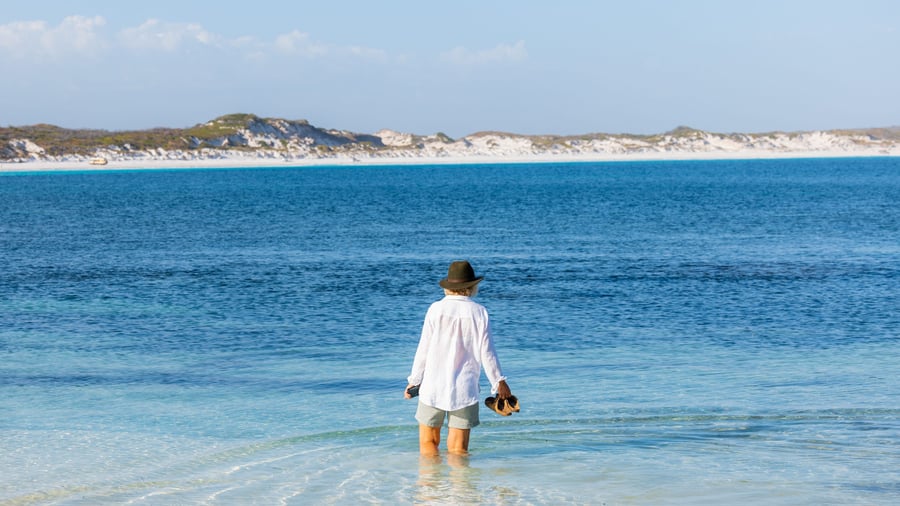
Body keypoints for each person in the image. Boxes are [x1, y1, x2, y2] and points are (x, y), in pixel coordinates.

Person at [405, 260, 512, 456]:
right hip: (465, 389)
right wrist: (499, 381)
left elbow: (424, 348)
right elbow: (487, 352)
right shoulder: (479, 312)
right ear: (471, 287)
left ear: (448, 286)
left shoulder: (435, 309)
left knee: (428, 443)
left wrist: (414, 380)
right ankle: (460, 477)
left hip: (433, 387)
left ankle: (430, 477)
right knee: (458, 450)